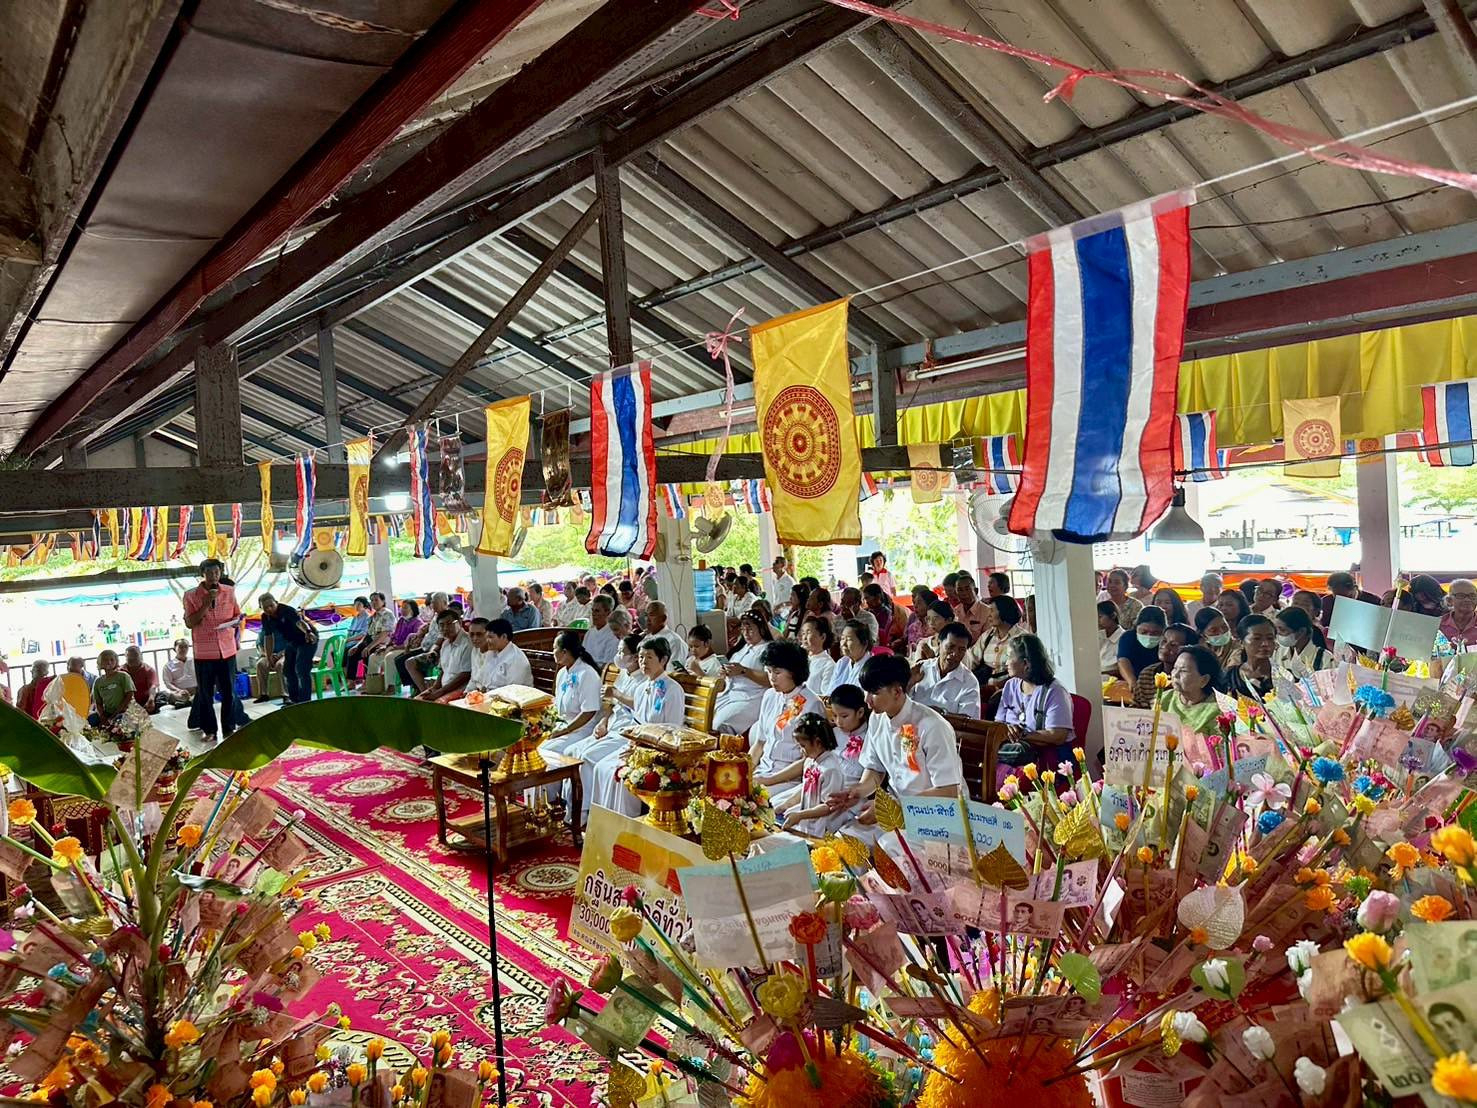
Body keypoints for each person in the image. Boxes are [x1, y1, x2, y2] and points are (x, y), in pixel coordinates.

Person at [826, 654, 964, 816]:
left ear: (897, 692)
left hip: (935, 815)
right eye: (866, 691)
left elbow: (949, 791)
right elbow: (875, 769)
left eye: (874, 692)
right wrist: (857, 791)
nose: (867, 699)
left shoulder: (933, 726)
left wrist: (896, 807)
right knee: (839, 839)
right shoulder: (877, 719)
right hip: (895, 809)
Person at [590, 636, 688, 818]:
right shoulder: (642, 688)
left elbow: (673, 731)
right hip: (638, 746)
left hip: (660, 752)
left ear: (663, 660)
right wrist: (633, 746)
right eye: (641, 657)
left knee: (619, 774)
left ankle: (626, 823)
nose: (644, 662)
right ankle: (602, 822)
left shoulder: (673, 689)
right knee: (601, 767)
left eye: (649, 657)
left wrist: (642, 752)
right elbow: (638, 723)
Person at [565, 633, 646, 818]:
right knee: (572, 752)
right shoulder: (623, 675)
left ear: (635, 657)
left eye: (622, 652)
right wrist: (603, 721)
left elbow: (638, 706)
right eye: (617, 651)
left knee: (587, 757)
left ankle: (587, 811)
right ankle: (572, 806)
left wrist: (616, 694)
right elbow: (610, 704)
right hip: (611, 726)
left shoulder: (643, 680)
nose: (618, 655)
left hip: (625, 732)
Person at [993, 634, 1077, 777]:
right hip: (1010, 754)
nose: (1005, 663)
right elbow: (998, 723)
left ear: (1026, 664)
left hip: (1043, 760)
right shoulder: (1010, 686)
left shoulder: (1055, 692)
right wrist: (1007, 730)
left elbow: (1058, 735)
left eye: (1009, 657)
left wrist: (1022, 734)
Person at [750, 640, 825, 794]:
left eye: (777, 672)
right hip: (763, 771)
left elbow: (809, 759)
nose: (772, 678)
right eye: (769, 671)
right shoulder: (770, 695)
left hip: (789, 779)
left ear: (794, 672)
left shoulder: (811, 703)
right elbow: (759, 743)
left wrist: (769, 781)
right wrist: (744, 770)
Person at [182, 558, 242, 741]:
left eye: (216, 572)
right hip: (204, 653)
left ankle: (229, 728)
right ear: (202, 574)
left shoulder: (230, 592)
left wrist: (235, 622)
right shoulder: (191, 595)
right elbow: (190, 622)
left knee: (229, 692)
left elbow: (237, 614)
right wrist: (207, 602)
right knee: (206, 694)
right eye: (209, 573)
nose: (213, 576)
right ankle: (210, 731)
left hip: (227, 649)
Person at [779, 714, 850, 836]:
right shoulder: (810, 761)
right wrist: (785, 805)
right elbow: (805, 788)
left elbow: (828, 806)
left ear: (817, 742)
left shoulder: (831, 769)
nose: (801, 750)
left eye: (803, 746)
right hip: (807, 818)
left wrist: (800, 815)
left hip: (824, 825)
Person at [541, 630, 606, 764]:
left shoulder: (587, 674)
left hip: (581, 729)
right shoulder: (562, 673)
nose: (552, 651)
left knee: (546, 751)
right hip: (561, 725)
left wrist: (565, 730)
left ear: (564, 652)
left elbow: (589, 711)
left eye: (554, 648)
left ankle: (549, 784)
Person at [712, 610, 772, 734]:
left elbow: (770, 679)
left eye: (750, 630)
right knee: (705, 717)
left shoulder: (769, 649)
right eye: (743, 630)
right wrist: (725, 673)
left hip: (751, 698)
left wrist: (744, 671)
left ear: (761, 628)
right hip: (730, 694)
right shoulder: (742, 649)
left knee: (720, 725)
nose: (746, 634)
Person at [911, 621, 981, 719]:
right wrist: (909, 683)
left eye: (961, 650)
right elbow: (899, 705)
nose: (955, 654)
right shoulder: (921, 669)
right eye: (950, 647)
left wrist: (942, 714)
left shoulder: (969, 682)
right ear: (939, 643)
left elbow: (969, 722)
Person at [257, 594, 317, 705]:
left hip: (306, 639)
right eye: (265, 608)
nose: (269, 609)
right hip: (292, 642)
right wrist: (269, 656)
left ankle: (305, 701)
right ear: (261, 608)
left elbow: (300, 622)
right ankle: (294, 701)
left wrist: (308, 632)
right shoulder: (265, 617)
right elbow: (268, 637)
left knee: (301, 669)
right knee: (288, 671)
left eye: (271, 605)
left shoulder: (287, 610)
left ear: (276, 602)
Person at [966, 596, 1026, 690]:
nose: (988, 615)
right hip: (984, 687)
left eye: (992, 611)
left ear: (1004, 611)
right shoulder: (987, 636)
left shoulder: (1022, 638)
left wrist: (999, 687)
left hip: (1012, 689)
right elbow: (971, 658)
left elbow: (1025, 670)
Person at [1132, 624, 1197, 709]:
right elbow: (1137, 707)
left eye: (1173, 644)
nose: (1165, 647)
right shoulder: (1147, 674)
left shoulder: (1188, 679)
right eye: (1164, 641)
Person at [415, 610, 474, 703]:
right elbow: (443, 670)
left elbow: (465, 675)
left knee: (438, 703)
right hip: (444, 688)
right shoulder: (445, 644)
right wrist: (434, 688)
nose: (445, 628)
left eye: (449, 624)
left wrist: (441, 692)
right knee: (418, 700)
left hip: (461, 689)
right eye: (442, 625)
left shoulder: (467, 643)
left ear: (459, 622)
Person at [398, 592, 450, 691]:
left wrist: (432, 650)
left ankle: (423, 690)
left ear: (444, 603)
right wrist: (421, 632)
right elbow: (429, 629)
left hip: (435, 651)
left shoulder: (445, 618)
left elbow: (441, 638)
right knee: (400, 659)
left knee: (408, 662)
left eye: (435, 602)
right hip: (426, 647)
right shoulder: (435, 616)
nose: (432, 605)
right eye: (432, 602)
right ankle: (415, 686)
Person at [1167, 644, 1223, 736]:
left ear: (1204, 680)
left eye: (1183, 671)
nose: (1175, 675)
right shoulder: (1164, 698)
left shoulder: (1217, 711)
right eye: (1175, 668)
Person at [471, 618, 534, 691]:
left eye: (490, 637)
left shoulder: (516, 659)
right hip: (490, 696)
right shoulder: (491, 652)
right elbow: (482, 679)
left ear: (504, 637)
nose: (487, 640)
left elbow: (513, 691)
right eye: (487, 637)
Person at [345, 593, 393, 688]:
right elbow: (367, 634)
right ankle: (351, 681)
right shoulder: (373, 617)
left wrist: (369, 647)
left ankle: (369, 680)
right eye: (372, 600)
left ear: (383, 601)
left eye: (376, 600)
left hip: (382, 643)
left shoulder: (387, 614)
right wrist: (357, 645)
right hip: (371, 641)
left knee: (367, 652)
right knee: (352, 652)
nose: (373, 602)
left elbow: (384, 634)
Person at [370, 598, 423, 685]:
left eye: (406, 608)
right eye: (402, 607)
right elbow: (394, 635)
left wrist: (395, 647)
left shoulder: (418, 623)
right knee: (374, 656)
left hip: (406, 649)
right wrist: (386, 646)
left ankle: (391, 686)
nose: (402, 610)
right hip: (395, 647)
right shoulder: (401, 620)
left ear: (413, 609)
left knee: (389, 657)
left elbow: (413, 643)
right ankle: (374, 685)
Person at [829, 683, 870, 788]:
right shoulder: (833, 733)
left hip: (851, 792)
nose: (838, 722)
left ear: (860, 712)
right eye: (834, 715)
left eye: (844, 716)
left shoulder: (869, 739)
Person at [1227, 614, 1276, 699]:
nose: (1265, 644)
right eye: (1257, 638)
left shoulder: (1283, 676)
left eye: (1270, 638)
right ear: (1241, 642)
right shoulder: (1230, 677)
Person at [1117, 605, 1166, 684]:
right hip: (1135, 679)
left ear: (1163, 631)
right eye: (1144, 632)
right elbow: (1123, 660)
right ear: (1136, 627)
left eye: (1155, 633)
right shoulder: (1128, 637)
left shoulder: (1167, 641)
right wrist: (1132, 681)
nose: (1149, 636)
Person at [1273, 607, 1332, 672]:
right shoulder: (1278, 652)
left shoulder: (1325, 659)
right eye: (1276, 629)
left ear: (1301, 632)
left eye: (1282, 630)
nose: (1277, 634)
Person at [828, 619, 875, 695]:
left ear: (864, 644)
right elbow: (830, 692)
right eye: (842, 638)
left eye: (849, 639)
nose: (843, 644)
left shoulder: (871, 668)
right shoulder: (842, 662)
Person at [90, 649, 136, 726]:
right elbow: (98, 702)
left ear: (116, 661)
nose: (109, 662)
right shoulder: (98, 681)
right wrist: (102, 716)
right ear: (100, 662)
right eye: (105, 660)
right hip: (108, 713)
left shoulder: (123, 676)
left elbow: (129, 695)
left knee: (118, 721)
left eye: (112, 659)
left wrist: (115, 714)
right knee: (90, 720)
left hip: (125, 712)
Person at [800, 616, 836, 697]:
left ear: (822, 637)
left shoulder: (828, 665)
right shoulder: (800, 658)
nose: (804, 638)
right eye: (803, 633)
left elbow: (826, 696)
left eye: (808, 633)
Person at [643, 602, 688, 666]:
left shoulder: (674, 641)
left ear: (663, 618)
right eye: (646, 615)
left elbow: (673, 673)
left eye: (651, 615)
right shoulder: (646, 638)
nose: (647, 619)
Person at [582, 596, 621, 669]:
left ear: (608, 612)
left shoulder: (613, 635)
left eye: (597, 611)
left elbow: (607, 665)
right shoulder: (589, 632)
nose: (593, 614)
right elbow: (582, 656)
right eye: (592, 610)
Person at [158, 639, 197, 708]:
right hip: (179, 692)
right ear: (174, 649)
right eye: (181, 647)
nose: (184, 649)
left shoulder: (194, 661)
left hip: (195, 690)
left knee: (202, 693)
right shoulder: (168, 666)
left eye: (186, 647)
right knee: (170, 695)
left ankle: (186, 702)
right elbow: (168, 683)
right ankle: (189, 701)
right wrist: (179, 690)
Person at [951, 574, 991, 641]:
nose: (964, 593)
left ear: (976, 591)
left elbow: (987, 640)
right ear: (956, 593)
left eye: (967, 589)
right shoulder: (955, 611)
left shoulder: (987, 612)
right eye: (960, 590)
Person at [1441, 579, 1477, 647]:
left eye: (1472, 596)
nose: (1467, 599)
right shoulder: (1437, 625)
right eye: (1461, 595)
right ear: (1449, 600)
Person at [122, 645, 158, 711]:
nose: (132, 658)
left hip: (145, 701)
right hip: (126, 704)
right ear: (126, 658)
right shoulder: (120, 671)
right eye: (129, 657)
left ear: (140, 656)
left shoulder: (148, 670)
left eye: (135, 655)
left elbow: (152, 686)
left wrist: (151, 699)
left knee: (163, 695)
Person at [1097, 601, 1124, 676]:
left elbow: (1122, 668)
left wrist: (1098, 674)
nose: (1097, 620)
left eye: (1100, 617)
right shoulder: (1098, 635)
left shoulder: (1124, 638)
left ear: (1113, 615)